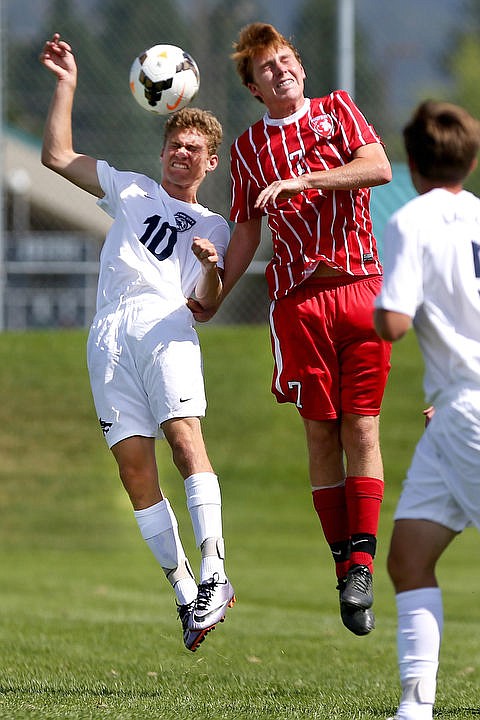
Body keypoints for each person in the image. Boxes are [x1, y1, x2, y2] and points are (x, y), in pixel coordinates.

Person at [39, 33, 235, 653]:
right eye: (175, 144)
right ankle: (184, 593)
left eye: (194, 149)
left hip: (165, 325)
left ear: (210, 164)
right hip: (108, 332)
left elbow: (205, 304)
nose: (182, 153)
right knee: (133, 468)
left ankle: (215, 570)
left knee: (184, 440)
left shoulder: (214, 226)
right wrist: (66, 82)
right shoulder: (127, 187)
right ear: (162, 151)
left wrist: (208, 263)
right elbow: (55, 155)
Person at [222, 22, 392, 635]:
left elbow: (377, 168)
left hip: (359, 287)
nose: (281, 70)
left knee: (363, 425)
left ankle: (364, 566)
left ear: (301, 67)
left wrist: (304, 180)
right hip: (298, 304)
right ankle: (342, 562)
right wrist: (215, 291)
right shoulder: (246, 150)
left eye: (287, 59)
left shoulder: (338, 111)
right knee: (322, 435)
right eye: (266, 67)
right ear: (253, 86)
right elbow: (244, 229)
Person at [374, 99, 480, 720]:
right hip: (455, 412)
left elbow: (392, 324)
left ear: (411, 162)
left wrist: (362, 297)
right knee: (410, 556)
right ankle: (416, 709)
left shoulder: (411, 221)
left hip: (467, 408)